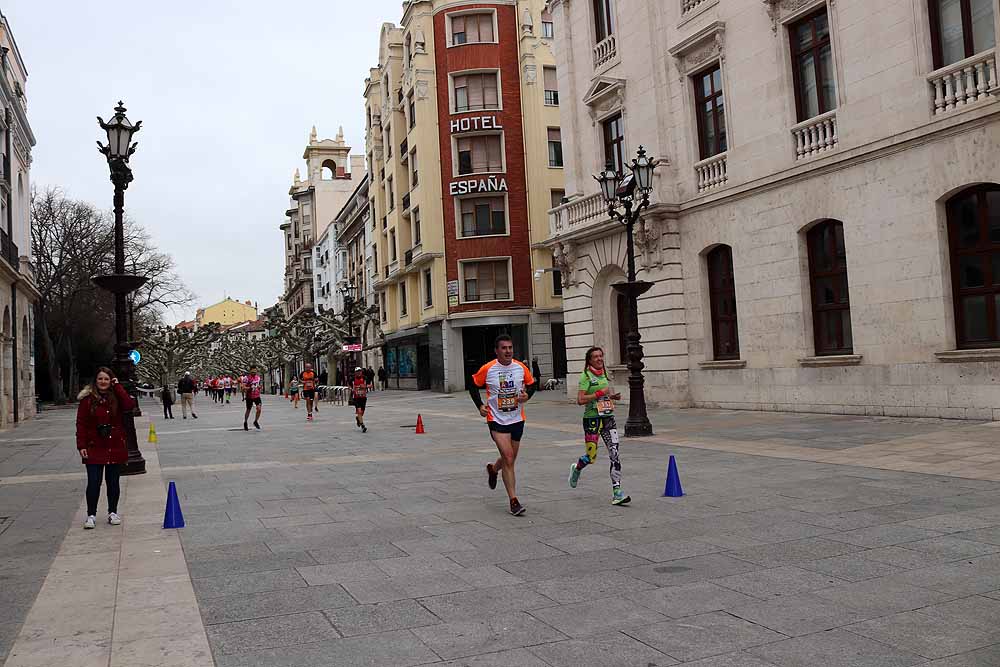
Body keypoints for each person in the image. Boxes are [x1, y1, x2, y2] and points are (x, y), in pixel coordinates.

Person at [469, 334, 536, 516]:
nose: (508, 351)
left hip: (517, 419)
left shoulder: (520, 367)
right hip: (496, 419)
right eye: (504, 348)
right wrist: (480, 405)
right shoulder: (488, 369)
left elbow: (532, 385)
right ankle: (513, 500)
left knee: (510, 458)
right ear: (497, 351)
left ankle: (493, 469)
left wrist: (527, 395)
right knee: (508, 457)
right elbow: (473, 385)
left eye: (510, 348)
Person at [568, 346, 630, 505]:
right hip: (591, 420)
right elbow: (580, 400)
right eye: (595, 357)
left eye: (601, 356)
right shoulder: (585, 377)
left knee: (614, 453)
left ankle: (617, 492)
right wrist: (599, 394)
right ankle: (577, 468)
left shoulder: (604, 373)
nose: (599, 359)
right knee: (591, 457)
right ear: (589, 360)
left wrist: (612, 397)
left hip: (608, 418)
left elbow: (604, 394)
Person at [76, 367, 135, 529]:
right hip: (94, 445)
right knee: (94, 482)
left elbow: (129, 405)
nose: (103, 382)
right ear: (95, 381)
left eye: (107, 379)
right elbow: (81, 423)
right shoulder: (87, 400)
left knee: (113, 482)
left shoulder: (116, 396)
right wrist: (81, 445)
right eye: (100, 379)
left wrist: (118, 386)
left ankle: (113, 512)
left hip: (114, 445)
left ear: (111, 381)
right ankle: (91, 514)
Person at [242, 365, 263, 430]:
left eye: (255, 371)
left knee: (259, 409)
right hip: (249, 396)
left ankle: (255, 421)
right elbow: (243, 388)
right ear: (250, 371)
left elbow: (260, 386)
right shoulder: (246, 378)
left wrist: (259, 387)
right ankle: (245, 422)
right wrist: (249, 388)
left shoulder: (258, 377)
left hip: (257, 396)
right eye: (252, 372)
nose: (254, 373)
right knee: (248, 410)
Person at [351, 366, 368, 432]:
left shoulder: (364, 378)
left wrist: (365, 386)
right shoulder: (352, 379)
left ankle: (358, 418)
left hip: (363, 397)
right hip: (356, 398)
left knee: (362, 413)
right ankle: (363, 425)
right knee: (359, 411)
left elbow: (370, 385)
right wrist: (352, 389)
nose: (359, 373)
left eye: (360, 371)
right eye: (357, 371)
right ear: (355, 373)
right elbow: (349, 385)